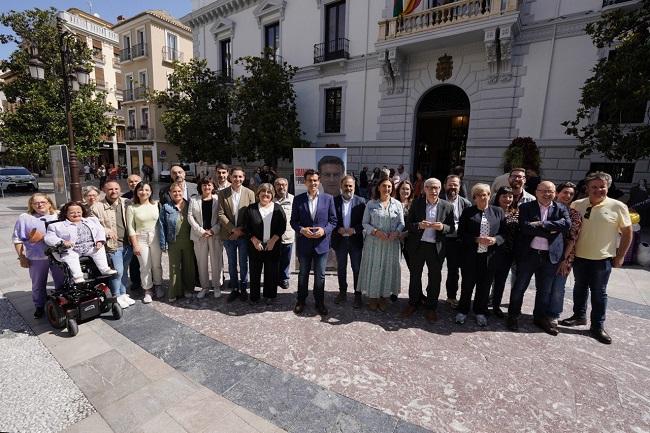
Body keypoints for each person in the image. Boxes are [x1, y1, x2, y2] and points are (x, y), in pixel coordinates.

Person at [559, 172, 633, 344]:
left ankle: (597, 326)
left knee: (599, 293)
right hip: (579, 257)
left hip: (602, 259)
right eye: (594, 187)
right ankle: (579, 316)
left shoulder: (618, 206)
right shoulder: (577, 205)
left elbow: (628, 233)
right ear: (587, 188)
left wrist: (620, 255)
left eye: (602, 187)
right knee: (579, 288)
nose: (598, 190)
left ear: (607, 188)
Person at [506, 181, 571, 334]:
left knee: (545, 290)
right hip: (529, 255)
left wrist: (542, 224)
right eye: (543, 191)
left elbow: (566, 224)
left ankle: (539, 317)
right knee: (519, 287)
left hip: (550, 257)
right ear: (536, 192)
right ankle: (513, 316)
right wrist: (552, 228)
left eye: (550, 191)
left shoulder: (562, 208)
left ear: (555, 193)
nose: (547, 194)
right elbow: (526, 228)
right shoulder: (526, 207)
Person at [401, 178, 455, 322]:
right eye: (430, 188)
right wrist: (419, 225)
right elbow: (408, 225)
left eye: (436, 188)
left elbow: (452, 228)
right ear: (424, 189)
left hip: (436, 248)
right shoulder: (417, 203)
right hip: (418, 246)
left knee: (435, 278)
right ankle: (413, 303)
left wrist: (442, 227)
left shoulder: (447, 206)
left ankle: (431, 307)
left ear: (440, 189)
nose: (434, 191)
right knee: (415, 276)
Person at [455, 184, 505, 326]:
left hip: (489, 257)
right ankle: (463, 311)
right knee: (467, 285)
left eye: (485, 194)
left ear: (490, 195)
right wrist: (476, 239)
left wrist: (495, 240)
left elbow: (504, 233)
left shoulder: (498, 212)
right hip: (471, 256)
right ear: (474, 197)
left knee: (484, 286)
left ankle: (480, 312)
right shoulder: (468, 212)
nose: (483, 197)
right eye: (479, 195)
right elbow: (461, 235)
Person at [290, 169, 337, 316]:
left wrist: (324, 230)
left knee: (320, 275)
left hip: (321, 245)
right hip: (304, 244)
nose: (313, 183)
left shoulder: (328, 199)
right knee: (303, 274)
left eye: (315, 180)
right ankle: (301, 300)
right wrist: (302, 230)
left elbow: (333, 221)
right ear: (305, 182)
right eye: (310, 180)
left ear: (319, 181)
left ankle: (319, 302)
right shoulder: (298, 199)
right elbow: (293, 221)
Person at [12, 193, 65, 318]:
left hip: (58, 255)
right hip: (37, 257)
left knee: (61, 281)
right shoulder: (25, 218)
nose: (40, 205)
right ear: (31, 205)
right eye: (36, 203)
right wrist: (22, 257)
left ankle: (61, 303)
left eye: (43, 202)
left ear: (49, 203)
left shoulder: (58, 215)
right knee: (38, 284)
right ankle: (39, 306)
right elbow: (17, 239)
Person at [358, 175, 404, 311]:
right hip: (374, 243)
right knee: (374, 268)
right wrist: (375, 231)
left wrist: (396, 232)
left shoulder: (397, 204)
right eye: (384, 186)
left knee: (387, 269)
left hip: (391, 243)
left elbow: (402, 223)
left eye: (389, 186)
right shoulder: (371, 204)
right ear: (378, 187)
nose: (387, 188)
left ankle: (384, 297)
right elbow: (364, 223)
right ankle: (373, 297)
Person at [44, 202, 117, 284]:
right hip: (71, 249)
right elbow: (49, 238)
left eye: (78, 212)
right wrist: (62, 242)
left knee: (99, 249)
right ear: (65, 213)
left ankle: (104, 269)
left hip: (90, 247)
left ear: (82, 212)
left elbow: (100, 230)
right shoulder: (56, 226)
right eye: (72, 213)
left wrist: (100, 240)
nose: (76, 214)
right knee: (71, 256)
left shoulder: (91, 221)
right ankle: (78, 276)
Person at [91, 180, 135, 309]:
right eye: (110, 189)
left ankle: (123, 293)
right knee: (117, 272)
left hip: (128, 243)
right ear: (104, 190)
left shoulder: (127, 202)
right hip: (112, 245)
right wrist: (106, 231)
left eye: (116, 189)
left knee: (124, 270)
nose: (114, 191)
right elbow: (93, 226)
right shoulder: (97, 207)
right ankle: (115, 296)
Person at [242, 183, 287, 304]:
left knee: (271, 273)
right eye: (263, 191)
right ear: (258, 194)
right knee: (255, 273)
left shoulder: (278, 208)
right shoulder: (251, 209)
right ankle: (254, 297)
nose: (265, 194)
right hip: (255, 246)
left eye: (269, 192)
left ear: (272, 195)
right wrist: (254, 240)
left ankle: (270, 296)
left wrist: (273, 240)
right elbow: (246, 228)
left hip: (273, 245)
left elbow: (282, 226)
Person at [218, 167, 256, 302]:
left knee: (243, 262)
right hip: (229, 235)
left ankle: (244, 288)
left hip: (244, 235)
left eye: (240, 177)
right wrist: (233, 230)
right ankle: (234, 288)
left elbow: (253, 215)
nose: (237, 179)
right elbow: (220, 214)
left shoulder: (250, 193)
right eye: (235, 176)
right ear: (230, 177)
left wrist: (241, 230)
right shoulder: (222, 193)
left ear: (244, 177)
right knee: (232, 262)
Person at [549, 182, 582, 326]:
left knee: (558, 286)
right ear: (557, 192)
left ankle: (554, 314)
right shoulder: (548, 209)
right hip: (545, 254)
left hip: (564, 257)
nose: (567, 196)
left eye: (571, 194)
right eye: (565, 192)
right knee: (544, 285)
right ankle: (541, 311)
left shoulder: (574, 214)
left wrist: (563, 259)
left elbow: (573, 238)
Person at [332, 175, 366, 308]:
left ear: (354, 186)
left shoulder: (361, 201)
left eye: (350, 185)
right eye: (345, 185)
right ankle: (342, 292)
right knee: (341, 268)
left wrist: (355, 230)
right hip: (340, 240)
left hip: (355, 241)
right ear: (341, 186)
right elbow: (330, 219)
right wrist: (337, 228)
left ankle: (357, 295)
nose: (348, 188)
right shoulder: (333, 201)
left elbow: (365, 221)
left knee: (357, 269)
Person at [126, 181, 163, 304]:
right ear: (136, 192)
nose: (144, 192)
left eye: (147, 190)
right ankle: (147, 289)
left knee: (156, 264)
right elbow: (130, 227)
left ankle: (158, 285)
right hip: (140, 237)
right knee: (145, 265)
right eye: (141, 190)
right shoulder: (132, 207)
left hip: (155, 236)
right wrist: (135, 244)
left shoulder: (156, 204)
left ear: (151, 192)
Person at [159, 182, 197, 301]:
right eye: (174, 191)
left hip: (188, 241)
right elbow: (161, 225)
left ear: (183, 192)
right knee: (174, 267)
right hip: (173, 241)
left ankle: (188, 289)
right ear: (170, 193)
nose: (177, 193)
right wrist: (163, 242)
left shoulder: (190, 204)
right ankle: (175, 291)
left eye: (179, 191)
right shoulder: (166, 207)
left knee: (188, 266)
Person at [440, 174, 471, 307]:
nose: (452, 187)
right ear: (445, 186)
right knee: (435, 269)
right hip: (439, 240)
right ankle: (432, 295)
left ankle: (451, 297)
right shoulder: (438, 200)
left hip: (456, 242)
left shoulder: (465, 203)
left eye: (455, 185)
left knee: (453, 271)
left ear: (459, 187)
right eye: (450, 184)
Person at [188, 177, 222, 299]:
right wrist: (201, 231)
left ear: (213, 187)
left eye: (209, 185)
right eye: (204, 185)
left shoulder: (218, 200)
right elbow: (190, 217)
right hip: (200, 236)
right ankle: (205, 287)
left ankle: (217, 286)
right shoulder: (194, 199)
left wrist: (213, 230)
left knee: (216, 261)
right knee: (201, 262)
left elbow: (221, 218)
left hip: (214, 235)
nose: (206, 187)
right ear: (200, 187)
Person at [490, 186, 518, 318]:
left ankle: (496, 306)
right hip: (491, 251)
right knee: (487, 279)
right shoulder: (491, 211)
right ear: (498, 197)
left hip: (508, 252)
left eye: (510, 196)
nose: (507, 199)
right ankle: (483, 304)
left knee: (501, 281)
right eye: (504, 196)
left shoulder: (516, 212)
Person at [274, 177, 294, 290]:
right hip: (273, 237)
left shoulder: (293, 199)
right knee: (274, 259)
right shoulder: (270, 199)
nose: (281, 187)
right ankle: (275, 278)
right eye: (278, 185)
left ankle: (284, 278)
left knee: (286, 259)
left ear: (287, 186)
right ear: (275, 186)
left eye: (283, 185)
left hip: (288, 235)